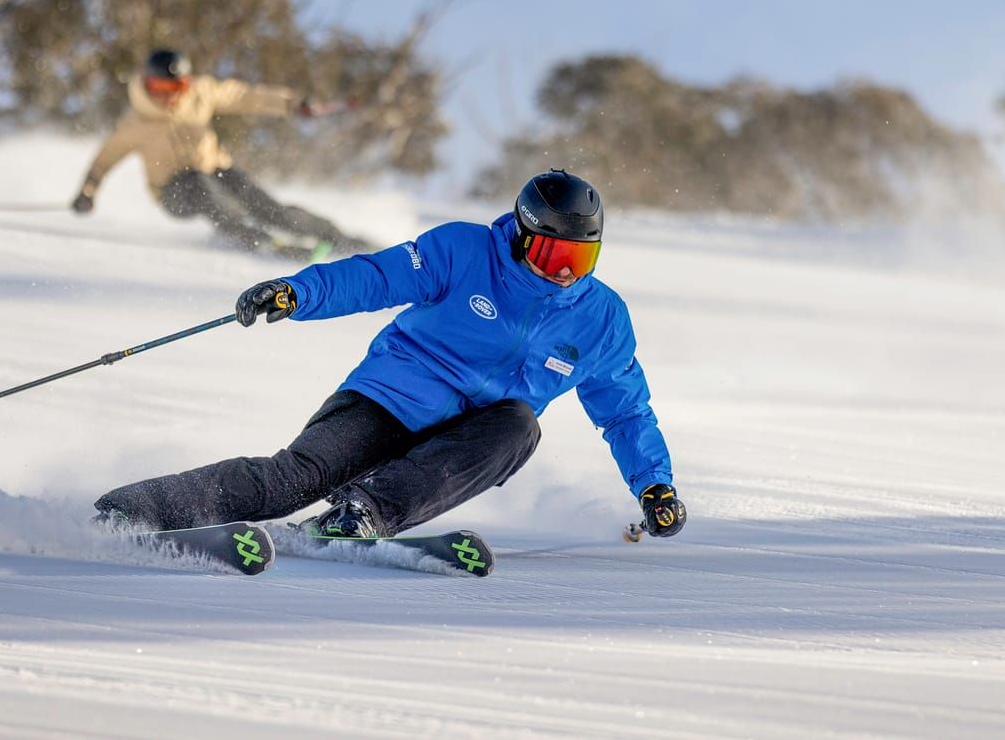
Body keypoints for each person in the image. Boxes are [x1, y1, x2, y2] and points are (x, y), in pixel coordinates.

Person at [95, 169, 687, 542]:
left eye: (579, 261)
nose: (563, 273)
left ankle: (364, 515)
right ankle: (130, 509)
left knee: (520, 425)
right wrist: (299, 292)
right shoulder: (462, 250)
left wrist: (654, 485)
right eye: (555, 255)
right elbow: (376, 277)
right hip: (390, 401)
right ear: (524, 234)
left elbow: (626, 410)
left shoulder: (602, 318)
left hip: (467, 441)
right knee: (290, 481)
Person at [70, 49, 369, 256]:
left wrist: (290, 103)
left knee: (267, 207)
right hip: (173, 191)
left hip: (216, 169)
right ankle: (258, 239)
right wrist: (87, 192)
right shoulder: (135, 123)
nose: (170, 94)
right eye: (161, 86)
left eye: (178, 86)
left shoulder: (199, 93)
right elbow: (103, 162)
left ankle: (338, 238)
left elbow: (244, 96)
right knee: (203, 187)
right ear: (148, 83)